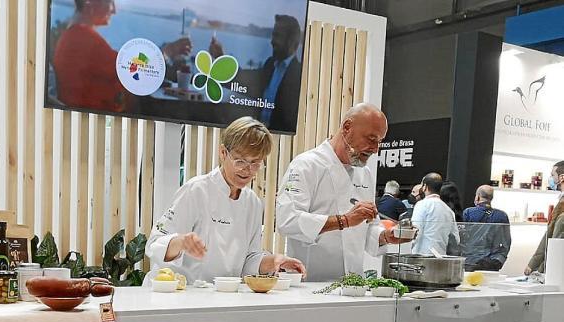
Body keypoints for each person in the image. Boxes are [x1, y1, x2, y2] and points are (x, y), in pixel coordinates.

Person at [145, 117, 305, 283]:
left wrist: (274, 261)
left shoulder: (252, 203)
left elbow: (249, 260)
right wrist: (180, 242)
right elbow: (155, 245)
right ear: (223, 153)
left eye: (255, 163)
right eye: (240, 161)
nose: (247, 170)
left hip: (222, 293)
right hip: (179, 291)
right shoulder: (196, 190)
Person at [276, 103, 410, 282]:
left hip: (352, 285)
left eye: (379, 141)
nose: (375, 148)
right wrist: (343, 221)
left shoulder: (365, 174)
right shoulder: (306, 165)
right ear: (347, 127)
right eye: (371, 139)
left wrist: (386, 236)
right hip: (309, 283)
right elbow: (287, 220)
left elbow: (369, 226)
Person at [52, 0, 191, 111]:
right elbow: (130, 70)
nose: (114, 10)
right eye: (109, 2)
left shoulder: (73, 35)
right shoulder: (82, 37)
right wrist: (168, 51)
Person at [210, 15, 302, 132]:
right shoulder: (270, 64)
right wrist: (220, 57)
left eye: (277, 36)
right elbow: (243, 79)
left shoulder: (298, 75)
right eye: (273, 35)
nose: (272, 41)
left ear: (291, 41)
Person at [525, 161, 564, 274]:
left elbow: (555, 242)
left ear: (562, 177)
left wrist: (540, 268)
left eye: (553, 175)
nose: (551, 178)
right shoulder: (561, 201)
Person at [461, 185, 511, 271]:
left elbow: (463, 238)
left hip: (470, 261)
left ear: (477, 197)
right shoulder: (502, 216)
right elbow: (506, 241)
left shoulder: (468, 213)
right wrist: (499, 259)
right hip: (492, 262)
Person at [410, 173, 460, 255]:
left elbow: (415, 231)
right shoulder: (448, 210)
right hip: (441, 256)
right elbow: (456, 239)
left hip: (421, 255)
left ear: (425, 187)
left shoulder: (421, 205)